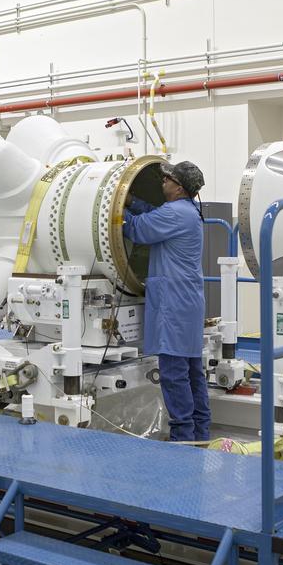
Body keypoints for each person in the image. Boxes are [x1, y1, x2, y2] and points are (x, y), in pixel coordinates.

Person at [122, 160, 210, 443]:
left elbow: (138, 229)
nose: (162, 182)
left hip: (174, 304)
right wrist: (133, 200)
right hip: (187, 302)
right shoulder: (187, 211)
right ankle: (200, 432)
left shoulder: (175, 214)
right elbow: (153, 214)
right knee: (193, 371)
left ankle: (183, 436)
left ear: (179, 187)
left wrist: (109, 211)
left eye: (167, 179)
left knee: (173, 374)